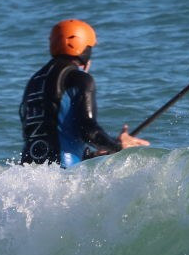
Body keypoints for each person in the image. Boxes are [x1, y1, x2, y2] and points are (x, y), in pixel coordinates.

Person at [19, 19, 148, 167]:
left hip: (27, 172)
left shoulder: (35, 81)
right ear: (84, 47)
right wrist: (119, 147)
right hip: (62, 173)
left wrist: (89, 154)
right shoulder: (79, 78)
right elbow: (89, 132)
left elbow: (48, 132)